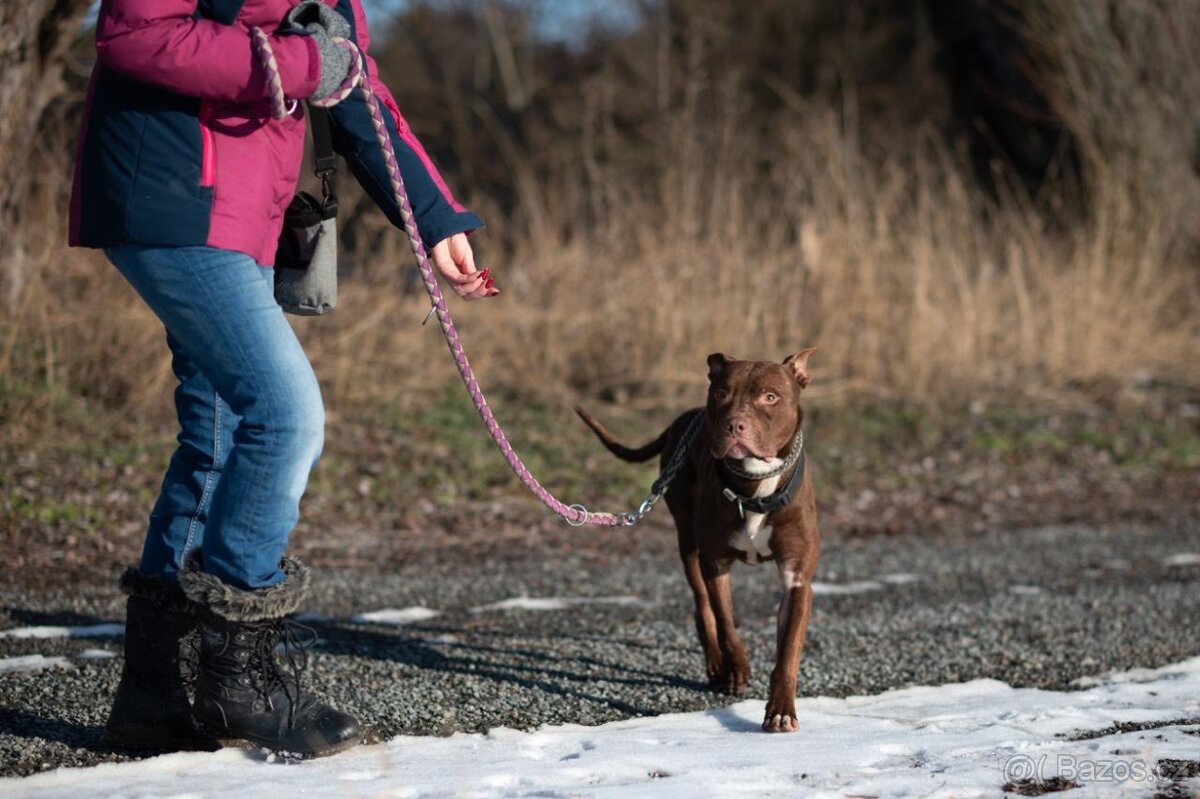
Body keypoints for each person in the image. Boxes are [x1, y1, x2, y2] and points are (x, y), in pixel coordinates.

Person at [69, 0, 496, 758]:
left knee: (217, 433)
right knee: (284, 411)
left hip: (245, 217)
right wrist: (298, 64)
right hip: (170, 197)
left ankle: (155, 693)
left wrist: (435, 219)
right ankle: (238, 676)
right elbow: (135, 32)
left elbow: (357, 87)